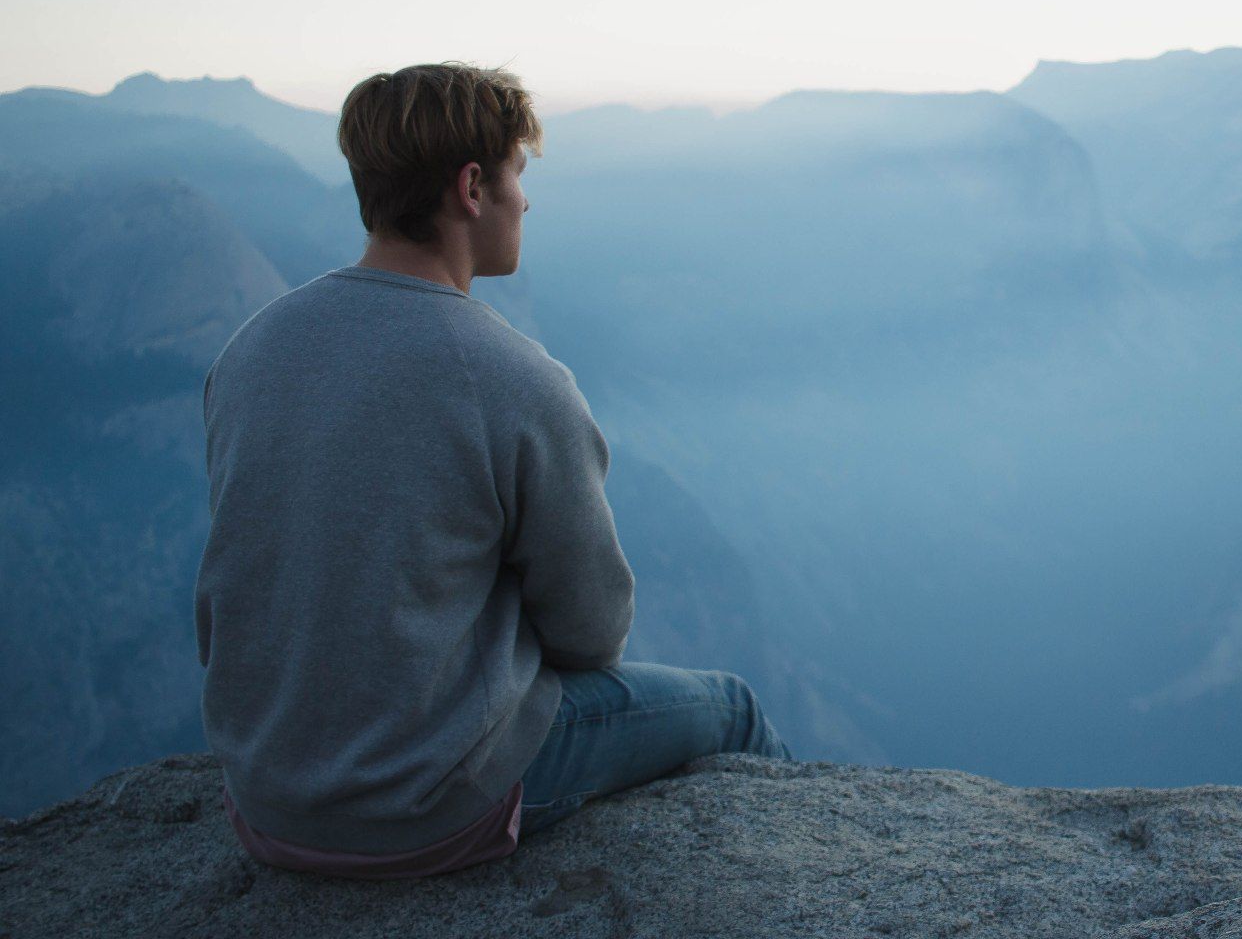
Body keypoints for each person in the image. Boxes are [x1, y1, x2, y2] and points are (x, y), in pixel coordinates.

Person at [194, 61, 793, 880]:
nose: (526, 199)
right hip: (428, 812)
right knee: (734, 707)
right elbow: (592, 632)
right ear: (472, 188)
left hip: (264, 806)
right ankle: (817, 871)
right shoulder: (513, 380)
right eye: (518, 172)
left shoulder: (248, 353)